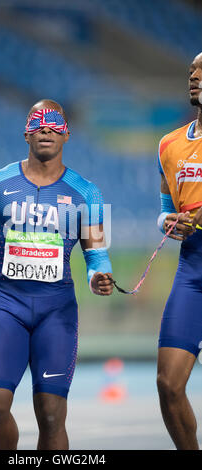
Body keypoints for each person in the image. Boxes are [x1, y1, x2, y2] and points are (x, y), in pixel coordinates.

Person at [0, 99, 113, 450]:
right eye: (38, 122)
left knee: (51, 414)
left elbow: (96, 253)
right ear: (26, 132)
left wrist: (99, 276)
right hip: (7, 307)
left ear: (67, 134)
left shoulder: (86, 193)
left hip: (57, 312)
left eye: (55, 123)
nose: (46, 129)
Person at [156, 52, 202, 450]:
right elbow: (166, 208)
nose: (194, 76)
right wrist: (167, 223)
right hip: (192, 271)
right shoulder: (169, 144)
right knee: (168, 384)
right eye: (191, 71)